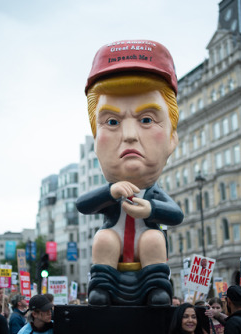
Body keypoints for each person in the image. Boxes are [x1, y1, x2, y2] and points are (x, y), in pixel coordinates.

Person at [77, 39, 184, 306]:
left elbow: (176, 214)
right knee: (103, 238)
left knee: (153, 238)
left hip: (146, 258)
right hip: (114, 259)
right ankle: (101, 287)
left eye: (146, 119)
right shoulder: (110, 193)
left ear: (172, 139)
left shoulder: (153, 193)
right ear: (96, 142)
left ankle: (157, 289)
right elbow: (83, 205)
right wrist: (109, 192)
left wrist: (150, 210)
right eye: (111, 121)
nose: (129, 136)